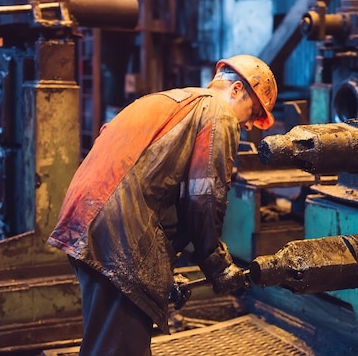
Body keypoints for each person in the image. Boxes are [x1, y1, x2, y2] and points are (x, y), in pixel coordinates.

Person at [47, 54, 278, 355]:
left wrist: (163, 274)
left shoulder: (175, 100)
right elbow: (204, 197)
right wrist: (218, 266)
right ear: (236, 90)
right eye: (253, 111)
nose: (248, 125)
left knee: (106, 342)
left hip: (88, 222)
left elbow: (152, 181)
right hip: (119, 236)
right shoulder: (218, 111)